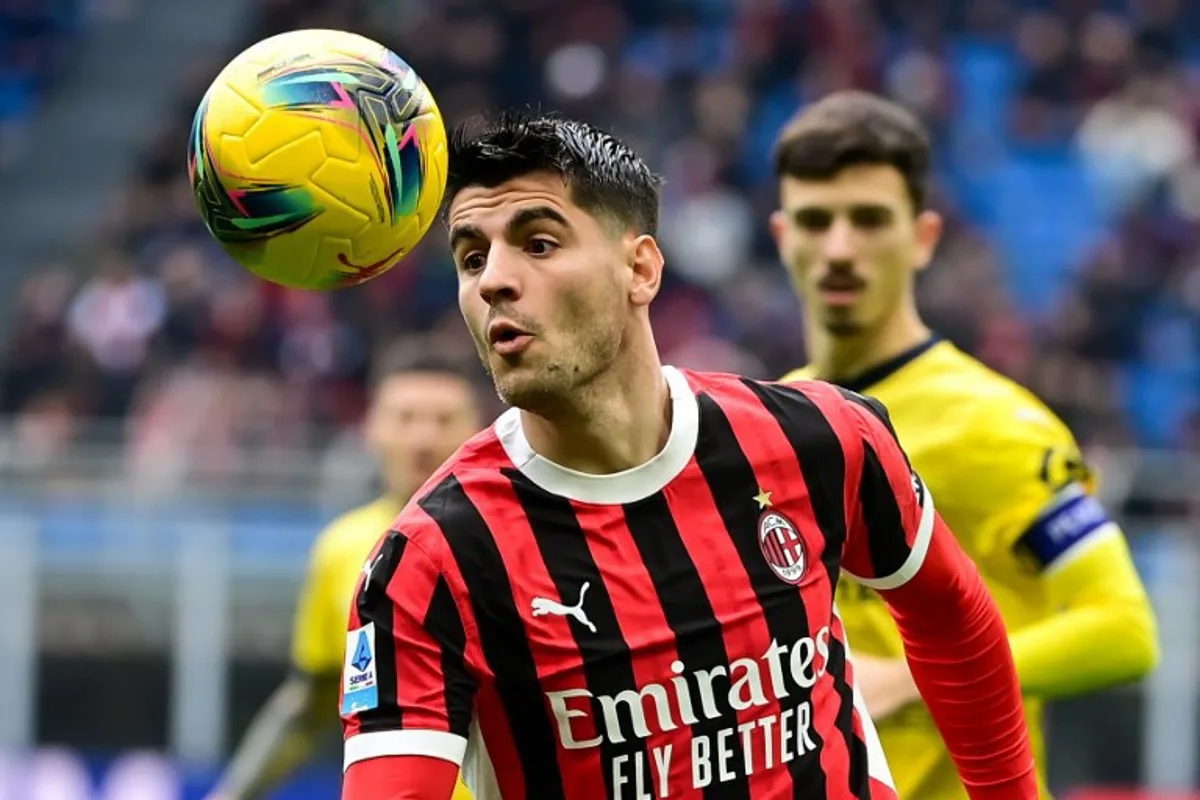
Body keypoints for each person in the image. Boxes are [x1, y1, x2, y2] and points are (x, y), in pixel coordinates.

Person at [338, 112, 1038, 800]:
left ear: (640, 269)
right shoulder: (430, 562)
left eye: (540, 243)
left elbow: (957, 621)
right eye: (471, 256)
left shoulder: (821, 437)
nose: (493, 280)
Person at [770, 90, 1160, 799]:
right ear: (780, 235)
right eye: (816, 220)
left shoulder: (996, 425)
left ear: (922, 237)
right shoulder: (768, 423)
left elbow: (1125, 629)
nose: (839, 248)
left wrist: (908, 680)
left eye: (869, 220)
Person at [205, 341, 482, 800]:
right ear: (372, 428)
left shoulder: (517, 537)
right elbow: (309, 703)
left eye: (443, 419)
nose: (423, 438)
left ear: (477, 429)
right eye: (406, 418)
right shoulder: (342, 549)